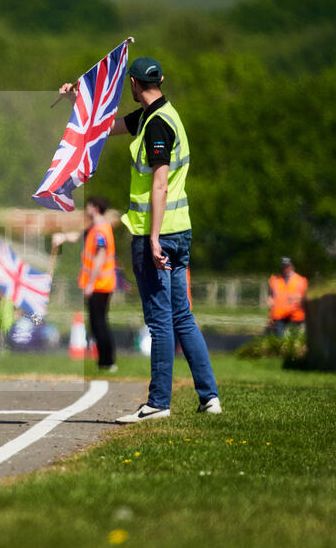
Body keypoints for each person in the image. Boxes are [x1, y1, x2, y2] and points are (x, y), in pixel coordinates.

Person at [61, 55, 220, 422]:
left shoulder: (157, 125)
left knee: (160, 318)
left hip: (158, 233)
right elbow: (103, 127)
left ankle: (158, 403)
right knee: (181, 315)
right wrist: (78, 98)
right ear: (159, 80)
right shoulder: (159, 115)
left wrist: (152, 238)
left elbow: (160, 184)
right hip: (180, 230)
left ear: (133, 84)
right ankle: (209, 397)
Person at [53, 195, 118, 371]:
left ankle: (107, 361)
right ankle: (105, 362)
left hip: (100, 284)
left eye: (88, 206)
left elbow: (100, 256)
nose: (86, 209)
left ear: (95, 208)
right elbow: (77, 236)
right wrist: (63, 237)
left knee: (99, 323)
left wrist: (90, 282)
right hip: (97, 283)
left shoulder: (101, 230)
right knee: (96, 322)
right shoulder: (94, 228)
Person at [268, 256, 308, 337]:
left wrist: (300, 299)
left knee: (297, 340)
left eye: (287, 266)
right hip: (280, 316)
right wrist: (270, 301)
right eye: (284, 266)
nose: (286, 268)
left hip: (296, 317)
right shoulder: (275, 280)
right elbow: (270, 297)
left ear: (292, 266)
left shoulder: (301, 280)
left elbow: (307, 298)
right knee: (280, 341)